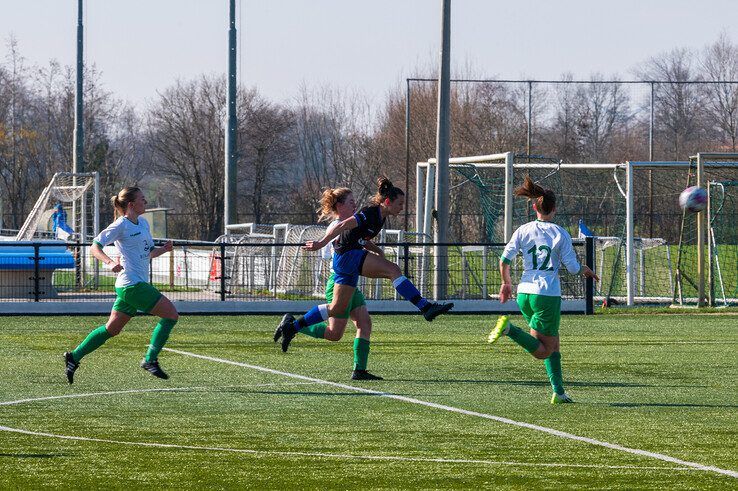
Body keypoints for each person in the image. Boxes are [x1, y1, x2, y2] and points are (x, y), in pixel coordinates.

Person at [274, 176, 453, 353]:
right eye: (400, 204)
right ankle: (425, 307)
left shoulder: (380, 216)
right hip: (348, 256)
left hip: (346, 260)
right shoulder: (370, 213)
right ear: (388, 201)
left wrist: (377, 251)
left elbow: (360, 236)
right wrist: (321, 243)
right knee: (393, 270)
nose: (402, 208)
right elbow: (342, 225)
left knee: (337, 310)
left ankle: (294, 326)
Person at [487, 175, 599, 404]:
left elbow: (504, 261)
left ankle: (559, 392)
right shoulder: (560, 233)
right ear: (554, 208)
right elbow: (572, 267)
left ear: (534, 206)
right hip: (546, 294)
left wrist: (506, 284)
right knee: (543, 351)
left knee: (553, 342)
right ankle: (509, 329)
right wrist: (584, 269)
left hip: (524, 292)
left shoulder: (523, 230)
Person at [63, 187, 179, 384]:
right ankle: (150, 360)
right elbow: (95, 246)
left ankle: (74, 356)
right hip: (131, 285)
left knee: (112, 329)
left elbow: (148, 253)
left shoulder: (142, 223)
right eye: (143, 199)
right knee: (171, 315)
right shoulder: (120, 225)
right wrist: (109, 263)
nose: (146, 202)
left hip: (134, 285)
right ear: (132, 205)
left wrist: (163, 250)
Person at [298, 187, 383, 380]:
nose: (355, 204)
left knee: (364, 323)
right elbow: (338, 251)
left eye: (355, 200)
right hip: (338, 282)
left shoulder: (350, 224)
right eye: (350, 201)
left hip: (350, 282)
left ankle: (359, 370)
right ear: (339, 205)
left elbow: (359, 240)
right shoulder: (336, 227)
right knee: (334, 334)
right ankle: (295, 325)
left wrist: (376, 250)